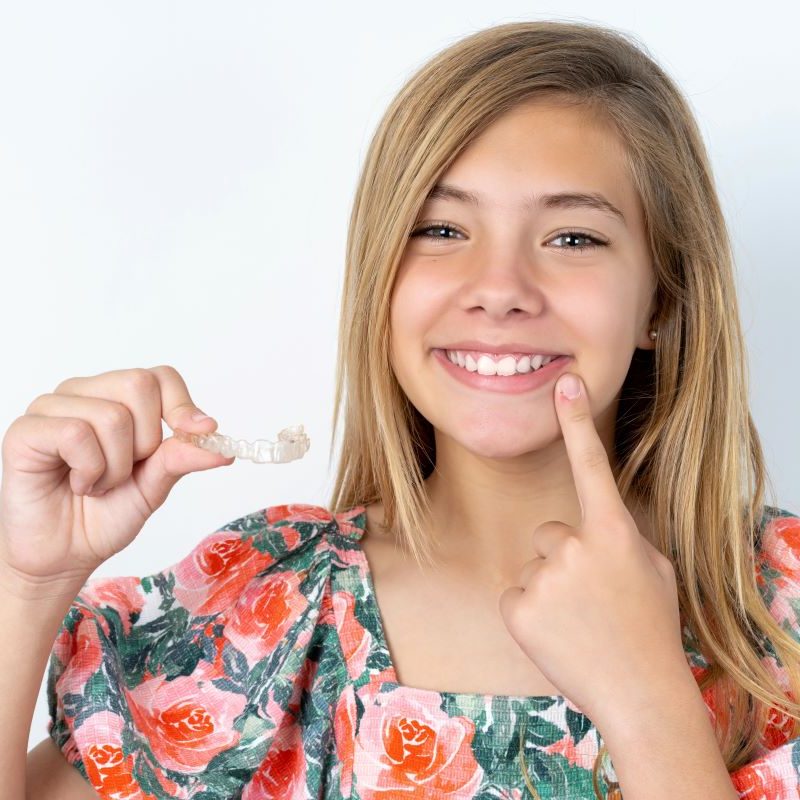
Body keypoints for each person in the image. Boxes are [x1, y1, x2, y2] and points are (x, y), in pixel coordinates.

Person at [3, 18, 798, 800]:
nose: (499, 289)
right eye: (442, 228)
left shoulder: (780, 609)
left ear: (663, 297)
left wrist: (649, 706)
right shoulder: (266, 615)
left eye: (572, 238)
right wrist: (27, 577)